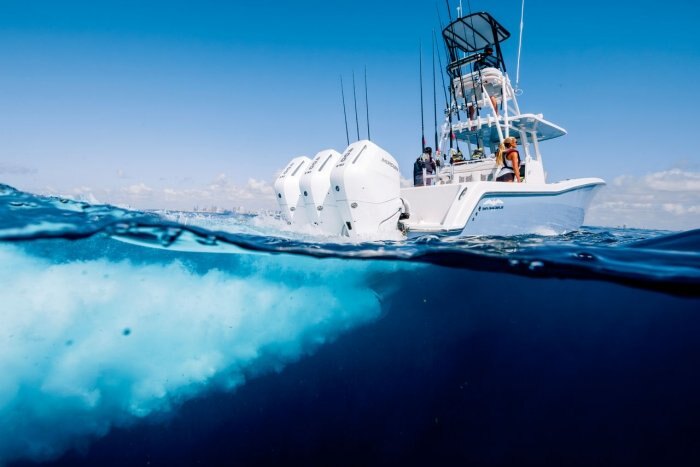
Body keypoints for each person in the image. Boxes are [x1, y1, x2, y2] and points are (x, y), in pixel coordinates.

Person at [469, 46, 500, 122]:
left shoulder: (479, 59)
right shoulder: (494, 59)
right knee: (491, 96)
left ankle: (470, 119)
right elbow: (497, 67)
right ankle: (496, 114)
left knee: (472, 101)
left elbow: (475, 68)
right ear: (491, 51)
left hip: (476, 81)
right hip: (486, 80)